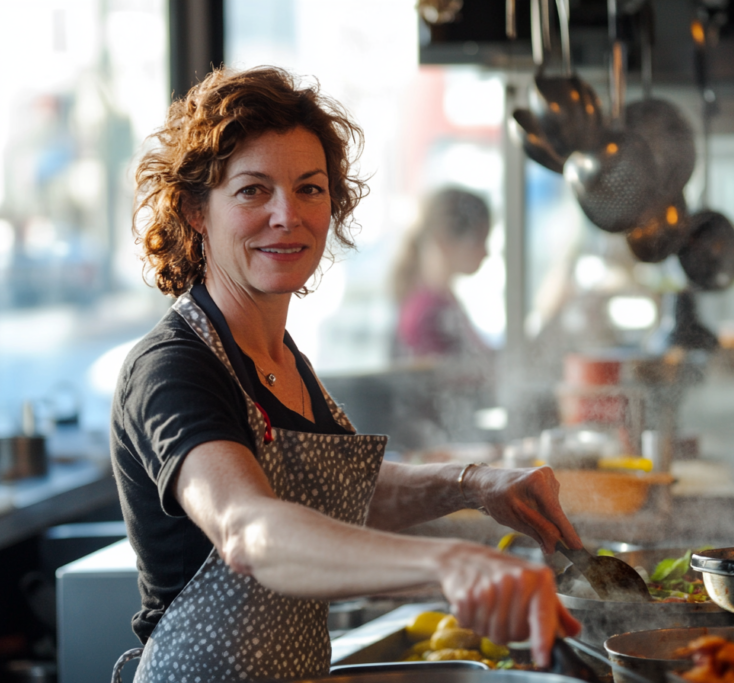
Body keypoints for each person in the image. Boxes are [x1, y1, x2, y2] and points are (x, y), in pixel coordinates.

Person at [110, 66, 582, 683]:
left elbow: (341, 497)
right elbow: (250, 530)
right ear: (198, 210)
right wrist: (449, 563)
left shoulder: (283, 357)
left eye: (310, 188)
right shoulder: (171, 367)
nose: (288, 214)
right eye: (253, 190)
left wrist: (474, 485)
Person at [392, 188, 493, 360]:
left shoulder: (443, 302)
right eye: (479, 240)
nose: (486, 253)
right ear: (443, 240)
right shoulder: (426, 313)